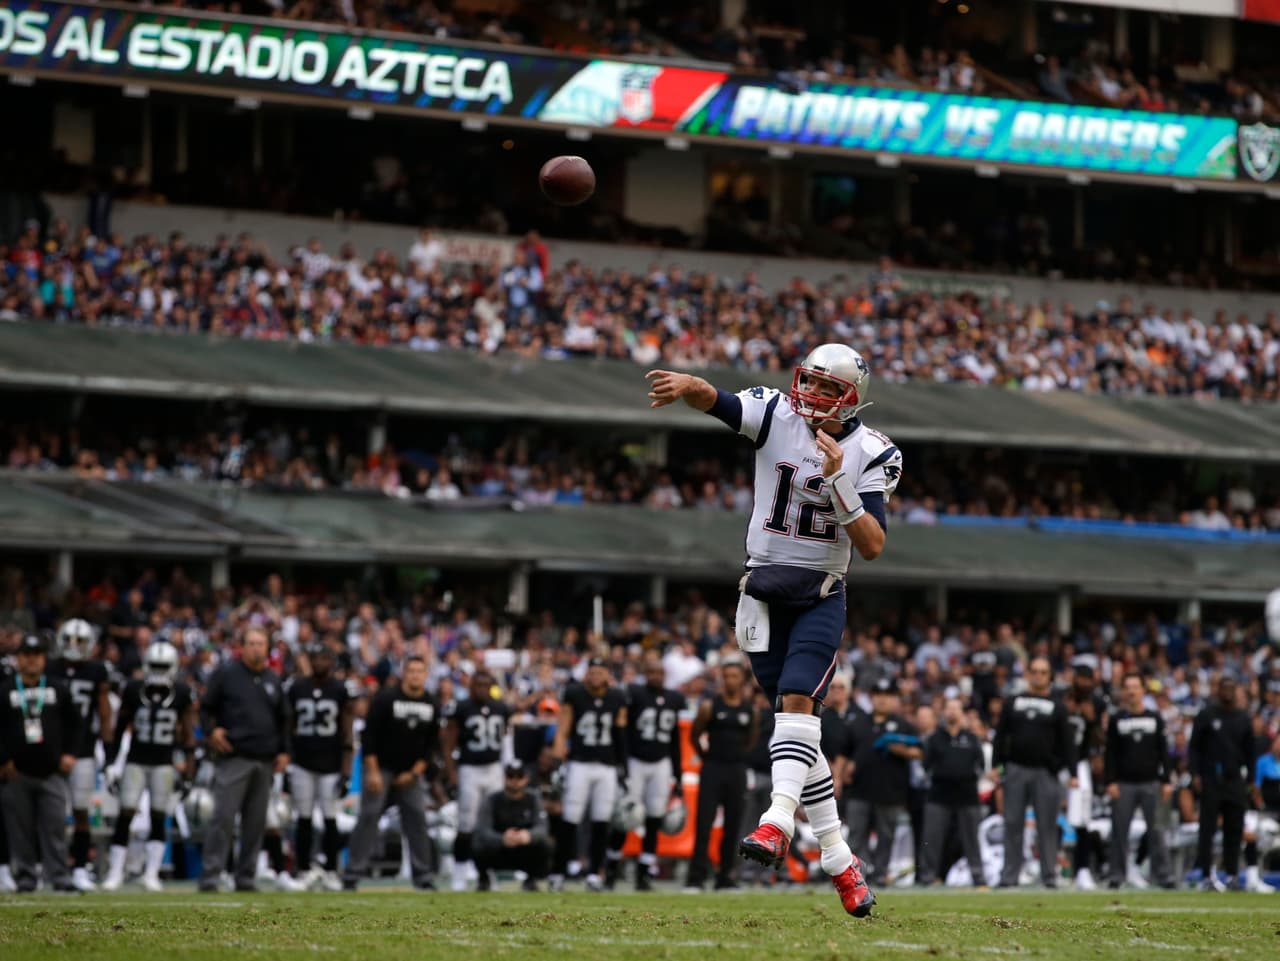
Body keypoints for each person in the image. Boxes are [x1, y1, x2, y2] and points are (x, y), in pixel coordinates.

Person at [648, 342, 902, 917]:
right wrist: (693, 386)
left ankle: (774, 822)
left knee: (794, 707)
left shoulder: (872, 450)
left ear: (851, 398)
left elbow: (873, 546)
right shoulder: (777, 416)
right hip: (761, 594)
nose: (809, 395)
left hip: (819, 595)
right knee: (798, 732)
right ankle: (841, 864)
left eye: (824, 387)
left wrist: (838, 481)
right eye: (806, 382)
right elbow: (724, 403)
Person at [198, 626, 291, 893]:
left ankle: (246, 877)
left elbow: (284, 719)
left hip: (265, 760)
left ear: (267, 647)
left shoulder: (273, 679)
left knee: (255, 824)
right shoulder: (227, 674)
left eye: (261, 643)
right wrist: (211, 731)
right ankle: (211, 876)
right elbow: (205, 708)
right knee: (223, 818)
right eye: (251, 643)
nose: (256, 648)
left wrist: (284, 751)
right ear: (242, 646)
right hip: (234, 756)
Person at [103, 640, 196, 891]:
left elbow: (188, 735)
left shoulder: (182, 693)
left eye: (163, 666)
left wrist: (189, 773)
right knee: (125, 814)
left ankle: (152, 873)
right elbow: (119, 727)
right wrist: (111, 762)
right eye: (155, 665)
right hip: (135, 760)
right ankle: (115, 872)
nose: (158, 671)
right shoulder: (133, 690)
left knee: (158, 816)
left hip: (163, 763)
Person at [344, 655, 439, 891]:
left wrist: (414, 773)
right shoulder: (387, 698)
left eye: (420, 671)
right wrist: (373, 771)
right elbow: (370, 736)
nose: (415, 675)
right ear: (403, 674)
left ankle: (423, 875)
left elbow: (431, 745)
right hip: (382, 767)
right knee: (369, 815)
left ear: (426, 675)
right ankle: (352, 873)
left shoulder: (432, 703)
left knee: (417, 818)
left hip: (411, 772)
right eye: (411, 671)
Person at [0, 635, 81, 893]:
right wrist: (3, 759)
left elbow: (76, 726)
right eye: (27, 654)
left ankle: (60, 876)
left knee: (56, 827)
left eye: (37, 654)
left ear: (44, 659)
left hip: (52, 771)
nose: (32, 659)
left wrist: (70, 754)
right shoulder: (4, 689)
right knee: (19, 830)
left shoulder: (58, 688)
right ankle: (25, 877)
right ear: (18, 659)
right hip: (16, 773)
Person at [994, 656, 1075, 889]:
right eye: (1035, 671)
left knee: (1047, 826)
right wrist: (995, 766)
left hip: (1045, 771)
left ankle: (1049, 876)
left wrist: (1071, 771)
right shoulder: (1013, 701)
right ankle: (1009, 876)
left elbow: (1067, 742)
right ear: (1028, 674)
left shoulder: (1058, 706)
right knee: (1012, 824)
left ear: (1049, 676)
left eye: (1043, 671)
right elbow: (1000, 735)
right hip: (1016, 768)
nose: (1039, 675)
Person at [608, 651, 685, 891]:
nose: (656, 676)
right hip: (636, 762)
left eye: (660, 672)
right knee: (625, 816)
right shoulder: (634, 693)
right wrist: (622, 764)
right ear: (644, 674)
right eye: (651, 671)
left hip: (660, 763)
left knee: (654, 818)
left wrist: (678, 774)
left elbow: (674, 739)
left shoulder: (674, 698)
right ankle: (611, 869)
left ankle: (644, 873)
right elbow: (621, 730)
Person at [551, 657, 628, 892]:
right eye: (592, 671)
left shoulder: (617, 697)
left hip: (606, 765)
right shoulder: (574, 694)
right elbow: (563, 729)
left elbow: (620, 734)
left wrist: (622, 767)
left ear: (607, 675)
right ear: (586, 674)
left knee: (601, 822)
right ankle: (558, 872)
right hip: (579, 763)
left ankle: (595, 873)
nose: (596, 676)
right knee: (570, 820)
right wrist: (558, 760)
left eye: (600, 672)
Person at [285, 642, 356, 892]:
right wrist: (287, 759)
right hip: (302, 762)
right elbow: (288, 725)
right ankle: (303, 869)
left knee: (330, 819)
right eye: (316, 658)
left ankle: (331, 871)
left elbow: (347, 731)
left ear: (333, 662)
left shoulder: (340, 689)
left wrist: (346, 771)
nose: (320, 663)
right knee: (302, 819)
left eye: (325, 658)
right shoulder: (297, 687)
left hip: (331, 763)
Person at [48, 618, 113, 891]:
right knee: (49, 813)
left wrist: (108, 750)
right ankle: (49, 866)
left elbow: (104, 711)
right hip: (49, 748)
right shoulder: (49, 668)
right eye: (70, 641)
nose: (74, 647)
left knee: (81, 810)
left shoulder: (97, 671)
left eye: (80, 642)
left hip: (83, 749)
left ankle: (79, 869)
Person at [685, 656, 757, 892]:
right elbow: (694, 735)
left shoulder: (750, 710)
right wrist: (706, 755)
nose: (730, 681)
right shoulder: (710, 706)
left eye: (735, 676)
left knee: (733, 825)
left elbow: (751, 740)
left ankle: (725, 876)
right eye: (726, 676)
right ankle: (696, 877)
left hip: (736, 770)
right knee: (703, 823)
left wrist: (738, 756)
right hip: (712, 768)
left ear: (743, 680)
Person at [846, 678, 921, 886]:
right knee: (856, 835)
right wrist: (844, 770)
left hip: (890, 792)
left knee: (885, 837)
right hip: (859, 789)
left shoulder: (904, 725)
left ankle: (880, 874)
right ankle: (858, 875)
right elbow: (844, 752)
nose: (883, 700)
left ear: (895, 699)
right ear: (872, 698)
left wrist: (901, 750)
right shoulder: (858, 722)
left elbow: (920, 751)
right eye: (878, 695)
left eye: (888, 696)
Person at [1104, 672, 1175, 890]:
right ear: (1124, 692)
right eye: (1128, 687)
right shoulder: (1116, 719)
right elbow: (1110, 754)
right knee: (1119, 832)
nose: (1132, 691)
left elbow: (1165, 751)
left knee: (1159, 830)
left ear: (1143, 691)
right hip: (1123, 783)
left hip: (1153, 782)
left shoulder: (1155, 717)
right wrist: (1110, 781)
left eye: (1136, 686)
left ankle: (1163, 876)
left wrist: (1166, 781)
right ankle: (1116, 875)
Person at [442, 669, 512, 891]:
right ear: (471, 686)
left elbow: (506, 739)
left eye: (486, 684)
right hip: (470, 769)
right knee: (466, 824)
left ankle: (487, 872)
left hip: (493, 769)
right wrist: (451, 772)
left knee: (492, 824)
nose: (482, 689)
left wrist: (507, 768)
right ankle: (460, 873)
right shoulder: (461, 707)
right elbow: (449, 742)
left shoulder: (501, 708)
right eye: (478, 685)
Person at [1189, 675, 1256, 891]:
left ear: (1236, 690)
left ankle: (1232, 874)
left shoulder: (1243, 718)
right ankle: (1206, 875)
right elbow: (1194, 747)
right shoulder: (1207, 715)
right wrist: (1195, 774)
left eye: (1231, 687)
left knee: (1234, 829)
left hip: (1234, 780)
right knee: (1207, 828)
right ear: (1218, 690)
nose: (1227, 691)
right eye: (1224, 687)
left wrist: (1252, 780)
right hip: (1211, 779)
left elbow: (1250, 752)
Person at [918, 697, 986, 886]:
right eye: (949, 708)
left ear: (962, 712)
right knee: (932, 838)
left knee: (972, 839)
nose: (953, 712)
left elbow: (980, 765)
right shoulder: (934, 739)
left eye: (957, 708)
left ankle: (978, 876)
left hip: (967, 795)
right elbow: (926, 766)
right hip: (939, 794)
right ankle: (928, 876)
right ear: (944, 712)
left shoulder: (972, 739)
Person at [472, 760, 552, 892]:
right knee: (476, 842)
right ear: (504, 778)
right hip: (499, 850)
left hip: (524, 849)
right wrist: (502, 839)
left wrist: (528, 836)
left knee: (546, 844)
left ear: (526, 779)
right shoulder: (492, 799)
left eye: (519, 776)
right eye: (510, 776)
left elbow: (542, 828)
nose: (515, 781)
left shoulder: (533, 798)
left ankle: (531, 879)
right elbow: (483, 830)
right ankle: (483, 879)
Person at [1063, 663, 1107, 890]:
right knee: (1046, 816)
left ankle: (1082, 869)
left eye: (1087, 680)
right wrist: (1064, 712)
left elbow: (1101, 739)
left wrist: (1091, 721)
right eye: (1080, 679)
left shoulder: (1098, 703)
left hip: (1080, 763)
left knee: (1082, 819)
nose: (1083, 684)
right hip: (1055, 763)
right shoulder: (1059, 697)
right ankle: (1048, 869)